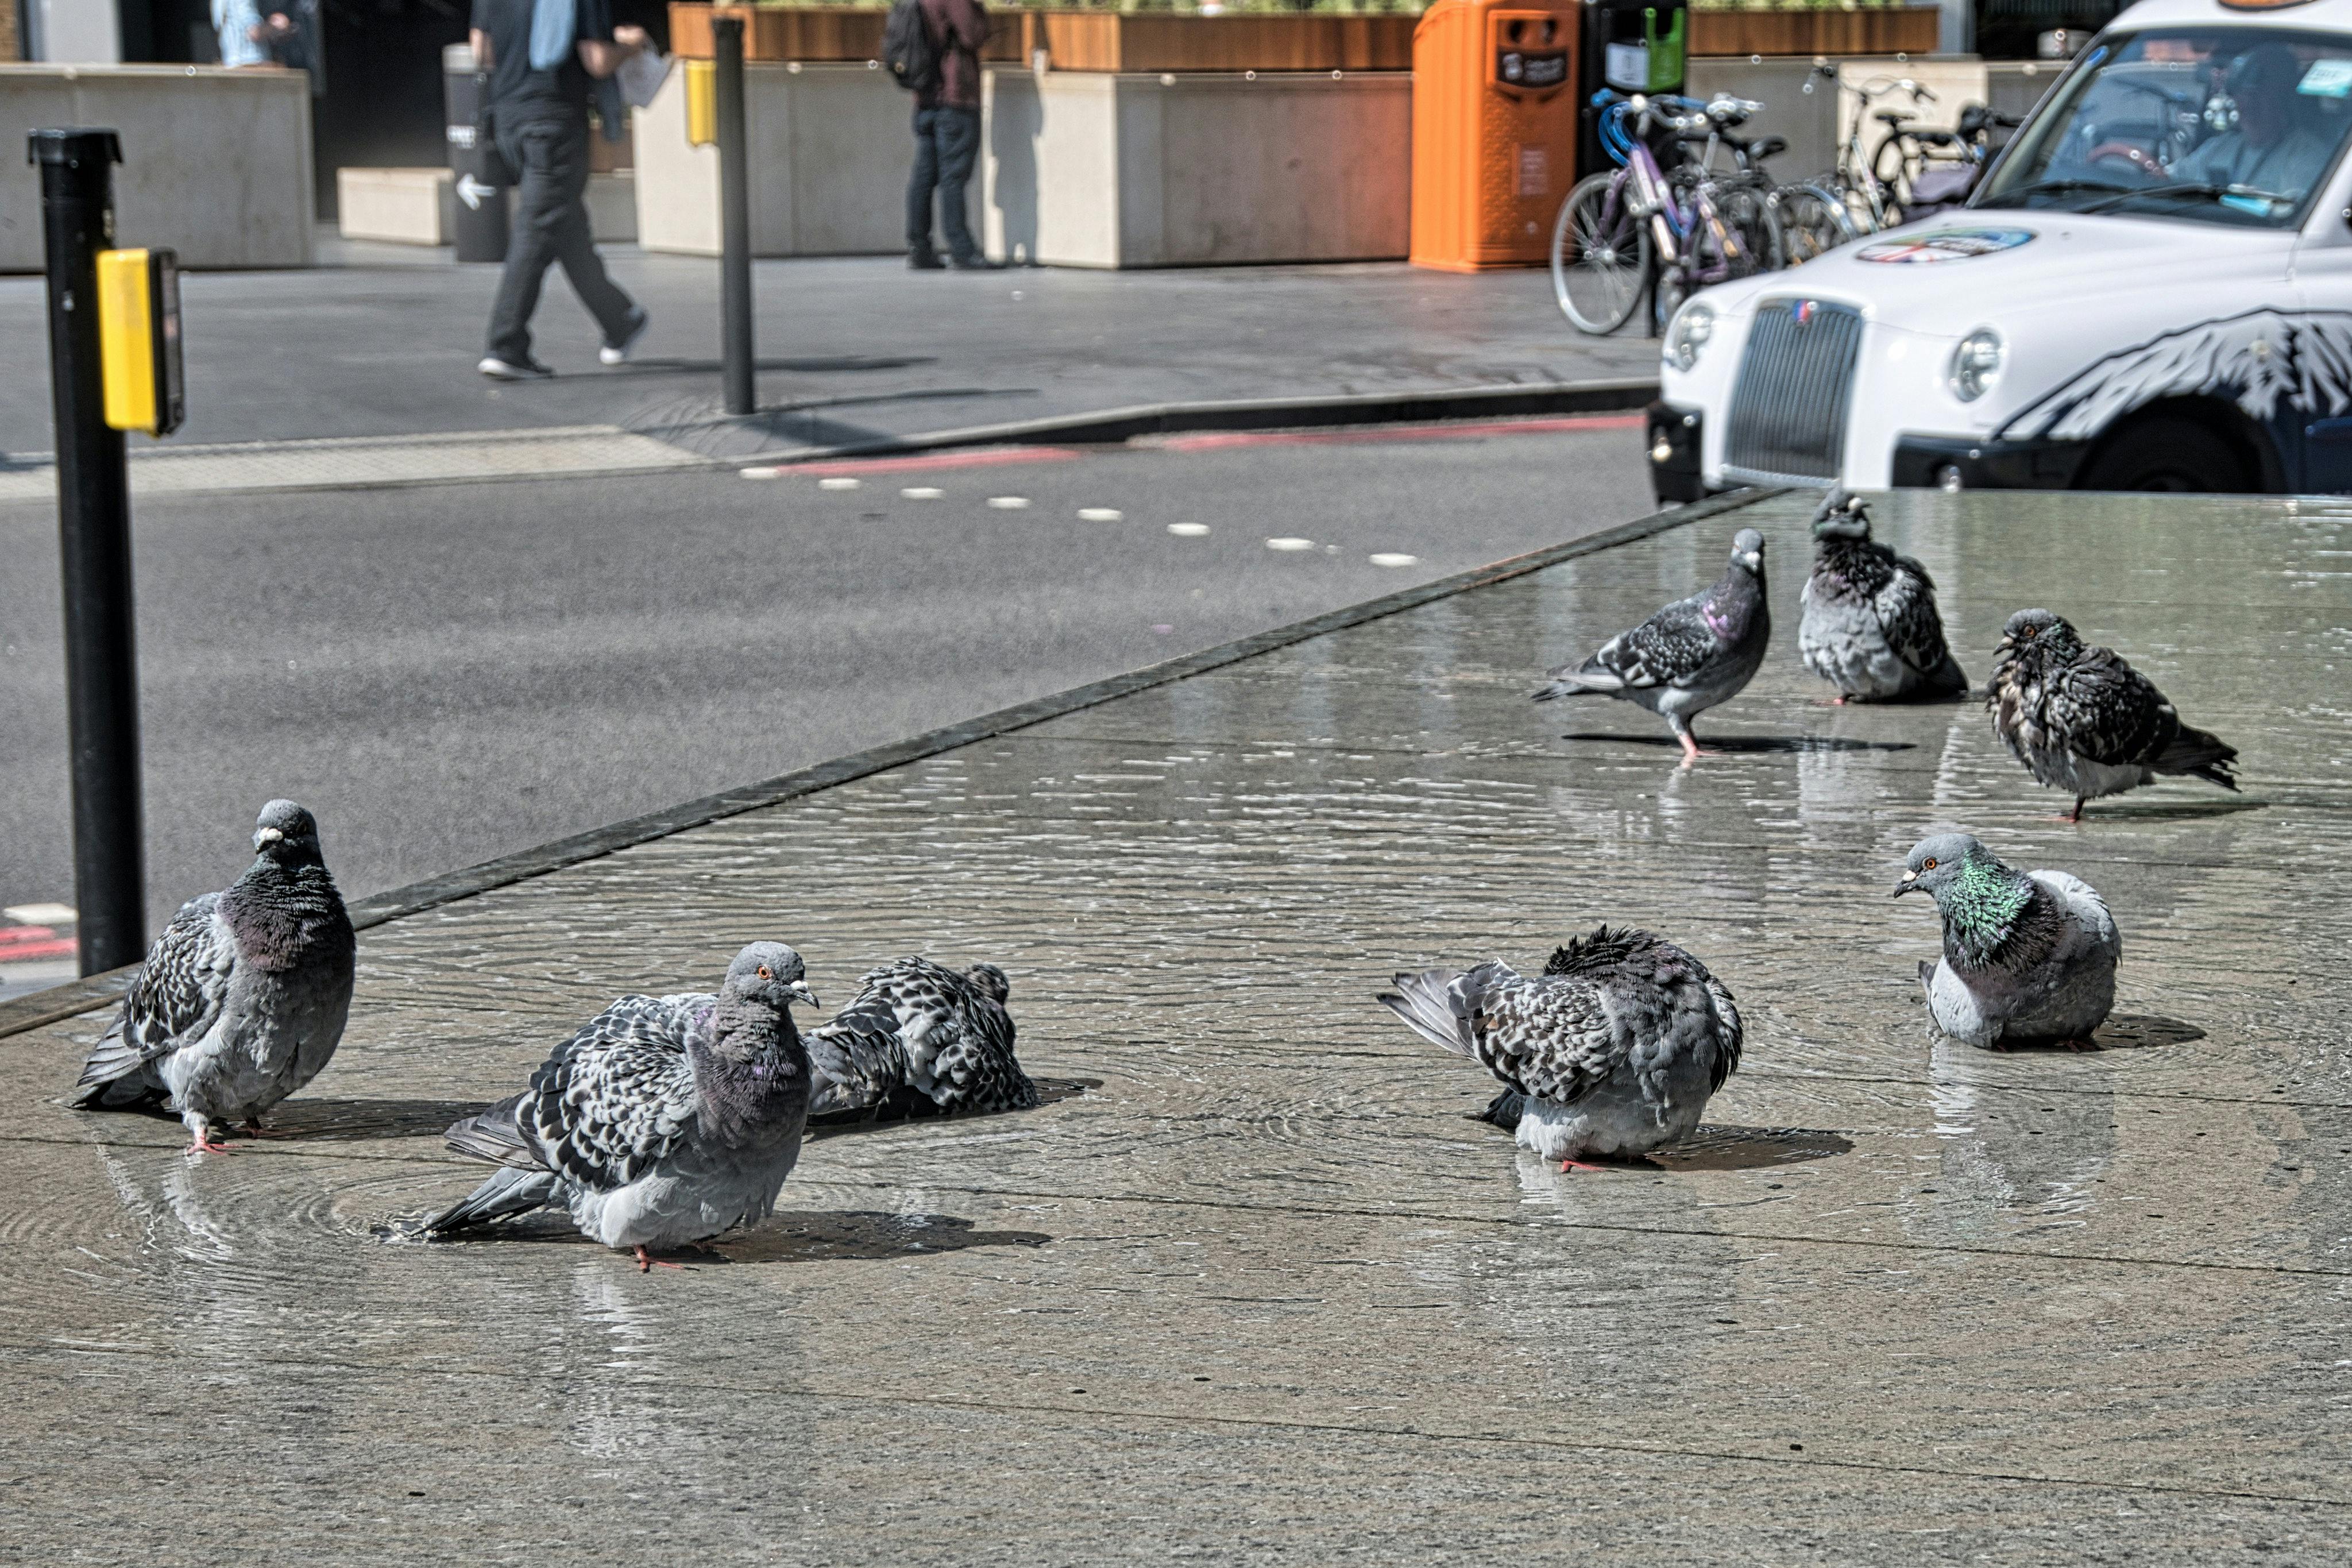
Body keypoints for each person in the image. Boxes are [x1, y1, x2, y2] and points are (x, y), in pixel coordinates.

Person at [469, 0, 653, 379]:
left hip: (509, 121)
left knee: (566, 230)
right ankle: (506, 345)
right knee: (537, 230)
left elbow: (481, 51)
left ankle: (620, 320)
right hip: (553, 122)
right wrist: (633, 45)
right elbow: (598, 60)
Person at [2172, 43, 2338, 198]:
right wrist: (2149, 164)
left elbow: (2294, 212)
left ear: (2284, 97)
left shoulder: (2306, 155)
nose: (2249, 103)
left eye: (2262, 92)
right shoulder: (2221, 147)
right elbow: (2169, 179)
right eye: (2245, 92)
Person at [907, 0, 993, 270]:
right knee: (953, 176)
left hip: (926, 95)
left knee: (925, 174)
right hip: (955, 94)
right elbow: (973, 34)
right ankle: (962, 249)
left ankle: (918, 247)